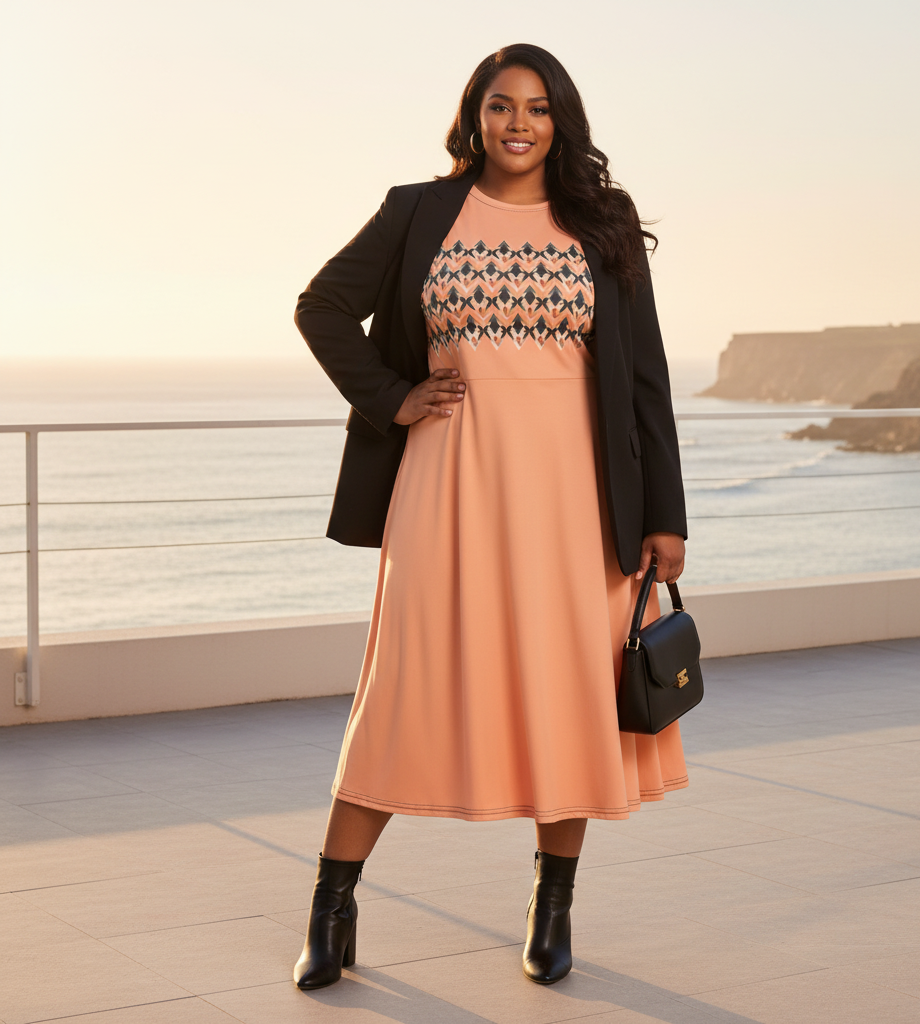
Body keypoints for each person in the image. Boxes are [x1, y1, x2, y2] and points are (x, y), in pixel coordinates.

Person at [291, 42, 688, 990]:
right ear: (475, 116)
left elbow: (645, 379)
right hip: (449, 486)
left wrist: (664, 513)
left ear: (562, 122)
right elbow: (321, 309)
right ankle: (332, 907)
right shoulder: (419, 210)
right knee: (404, 687)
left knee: (570, 692)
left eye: (539, 108)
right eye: (502, 106)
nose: (519, 124)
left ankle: (552, 910)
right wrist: (393, 396)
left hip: (580, 499)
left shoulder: (604, 222)